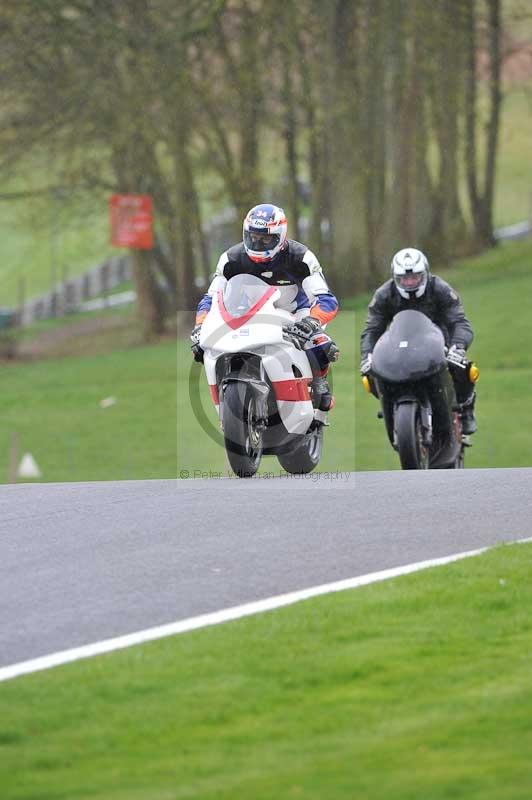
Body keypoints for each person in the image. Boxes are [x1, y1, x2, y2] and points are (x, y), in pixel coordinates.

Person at [191, 203, 339, 411]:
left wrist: (312, 321)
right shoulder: (231, 259)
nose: (258, 243)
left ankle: (320, 383)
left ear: (281, 236)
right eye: (253, 237)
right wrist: (200, 326)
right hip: (250, 314)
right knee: (203, 348)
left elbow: (326, 299)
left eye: (266, 238)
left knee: (319, 344)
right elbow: (211, 298)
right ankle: (226, 401)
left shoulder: (301, 257)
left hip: (295, 312)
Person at [360, 247, 477, 434]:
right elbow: (372, 329)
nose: (410, 283)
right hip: (400, 346)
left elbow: (460, 322)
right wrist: (367, 356)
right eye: (404, 279)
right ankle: (390, 406)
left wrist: (458, 346)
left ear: (425, 274)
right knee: (369, 373)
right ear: (395, 278)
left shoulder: (441, 289)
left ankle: (466, 408)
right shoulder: (384, 294)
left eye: (415, 277)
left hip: (440, 345)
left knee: (465, 368)